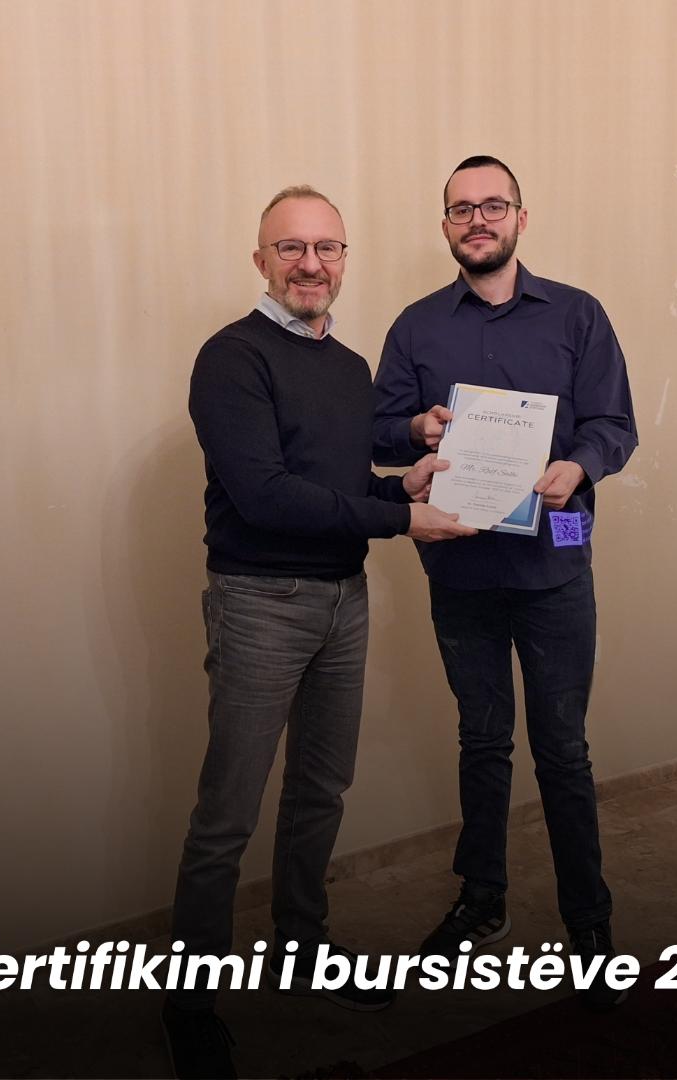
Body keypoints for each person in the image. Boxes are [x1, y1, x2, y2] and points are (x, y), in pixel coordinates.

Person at [164, 185, 475, 1079]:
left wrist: (399, 486)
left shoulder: (346, 365)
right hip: (260, 601)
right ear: (260, 260)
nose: (311, 264)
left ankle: (301, 947)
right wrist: (399, 520)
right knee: (227, 812)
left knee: (320, 790)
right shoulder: (231, 358)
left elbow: (334, 488)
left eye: (327, 248)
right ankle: (190, 1002)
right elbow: (266, 497)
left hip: (343, 599)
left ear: (344, 259)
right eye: (291, 248)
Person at [372, 156, 638, 1011]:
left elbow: (615, 424)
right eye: (461, 209)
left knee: (563, 747)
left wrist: (578, 464)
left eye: (493, 205)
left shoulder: (577, 314)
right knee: (482, 740)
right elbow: (376, 430)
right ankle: (481, 898)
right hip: (459, 562)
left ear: (522, 217)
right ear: (444, 226)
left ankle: (587, 920)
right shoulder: (415, 327)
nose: (477, 219)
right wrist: (415, 426)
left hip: (560, 546)